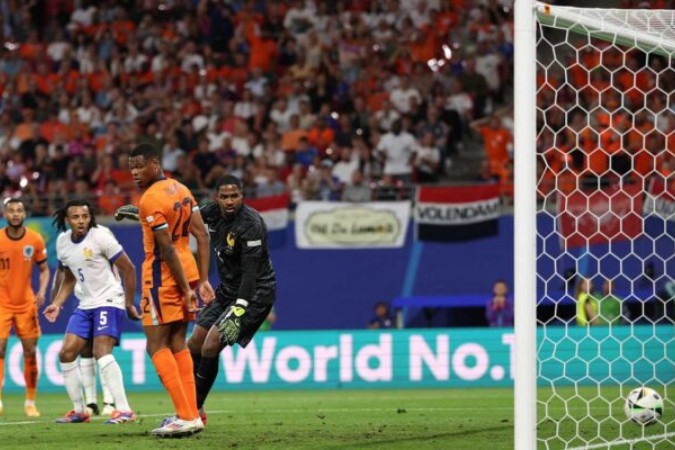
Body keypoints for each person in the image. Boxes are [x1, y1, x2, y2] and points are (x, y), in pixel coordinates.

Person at [125, 143, 215, 437]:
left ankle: (187, 416)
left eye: (139, 165)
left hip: (162, 277)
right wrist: (200, 280)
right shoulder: (182, 189)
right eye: (131, 167)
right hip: (187, 271)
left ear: (155, 162)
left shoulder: (150, 199)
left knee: (156, 344)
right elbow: (202, 235)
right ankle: (191, 414)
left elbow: (165, 248)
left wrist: (183, 287)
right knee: (178, 342)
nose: (135, 172)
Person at [187, 175, 276, 424]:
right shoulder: (212, 212)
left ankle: (193, 410)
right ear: (216, 197)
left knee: (211, 345)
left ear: (242, 196)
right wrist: (145, 216)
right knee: (193, 344)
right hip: (227, 290)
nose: (229, 201)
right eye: (224, 196)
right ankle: (192, 405)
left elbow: (250, 273)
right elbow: (181, 219)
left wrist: (239, 308)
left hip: (255, 293)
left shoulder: (251, 223)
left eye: (234, 196)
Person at [43, 199, 139, 424]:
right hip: (85, 303)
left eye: (85, 216)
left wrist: (128, 303)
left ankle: (124, 409)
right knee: (66, 353)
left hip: (108, 299)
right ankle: (80, 410)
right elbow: (68, 277)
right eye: (75, 217)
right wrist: (57, 303)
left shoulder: (101, 236)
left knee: (101, 352)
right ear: (67, 220)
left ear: (90, 218)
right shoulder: (62, 241)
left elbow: (129, 268)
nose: (81, 221)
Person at [0, 198, 50, 417]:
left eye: (19, 210)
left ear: (24, 213)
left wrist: (42, 291)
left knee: (30, 351)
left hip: (26, 304)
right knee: (0, 349)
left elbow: (45, 270)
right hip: (1, 303)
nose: (15, 214)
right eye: (11, 210)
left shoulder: (35, 239)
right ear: (5, 214)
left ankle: (30, 402)